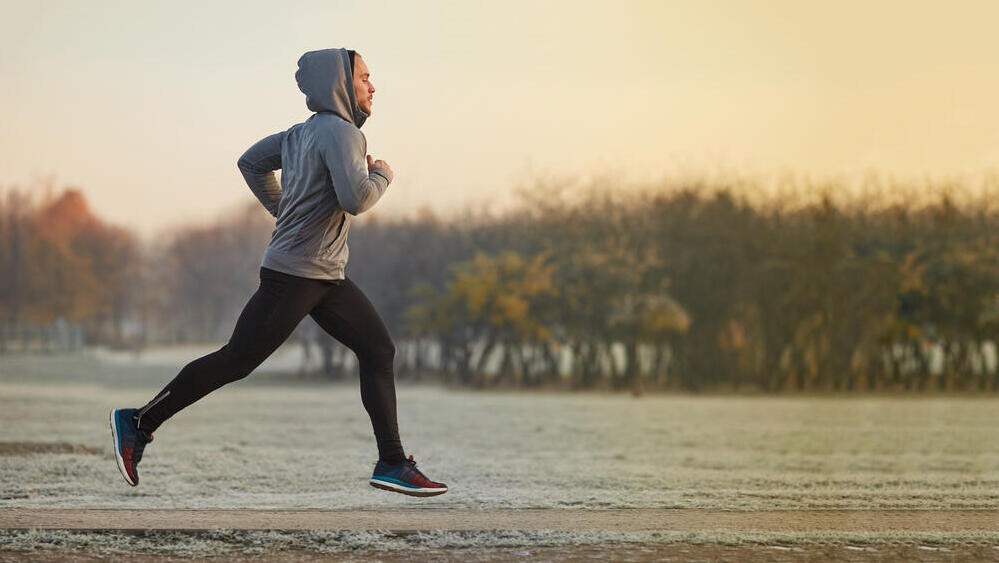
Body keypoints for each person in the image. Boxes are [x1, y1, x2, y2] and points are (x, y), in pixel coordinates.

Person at [109, 48, 448, 497]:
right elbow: (356, 199)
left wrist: (281, 207)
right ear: (342, 83)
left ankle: (391, 462)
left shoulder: (301, 133)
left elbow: (250, 162)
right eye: (365, 76)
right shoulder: (344, 134)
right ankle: (138, 422)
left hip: (324, 275)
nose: (372, 86)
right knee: (237, 359)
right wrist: (382, 175)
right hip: (297, 274)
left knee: (378, 350)